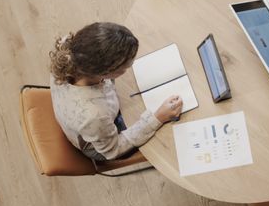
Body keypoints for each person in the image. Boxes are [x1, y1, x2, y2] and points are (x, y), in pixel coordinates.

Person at [49, 22, 183, 161]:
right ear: (107, 73)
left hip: (91, 122)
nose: (129, 68)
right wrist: (157, 118)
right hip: (102, 144)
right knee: (167, 141)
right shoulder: (94, 115)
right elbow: (113, 150)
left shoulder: (69, 53)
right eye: (126, 66)